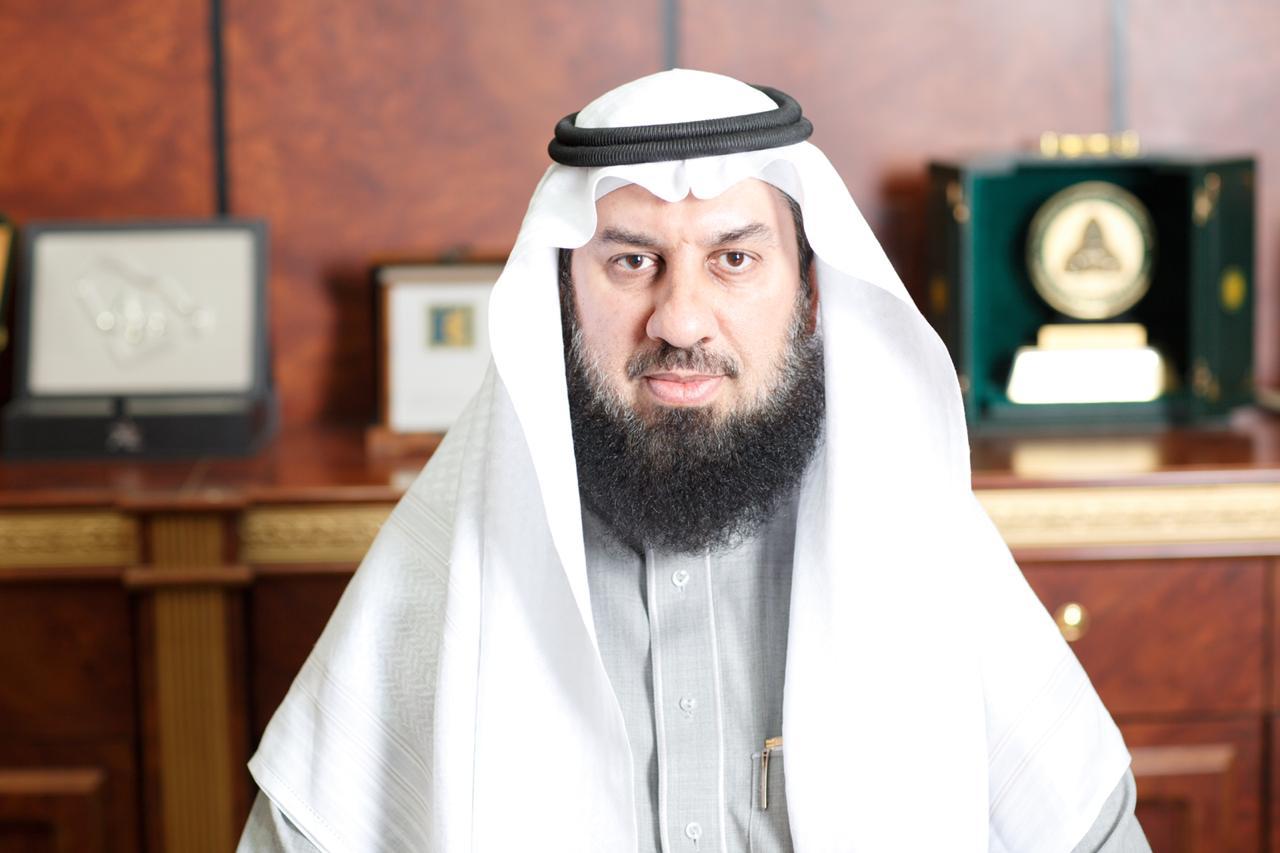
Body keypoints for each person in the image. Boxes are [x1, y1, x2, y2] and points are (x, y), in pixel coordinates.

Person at [238, 70, 1149, 852]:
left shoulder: (912, 533)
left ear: (812, 295)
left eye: (734, 259)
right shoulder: (456, 548)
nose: (679, 320)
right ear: (563, 297)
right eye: (632, 261)